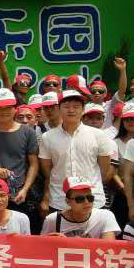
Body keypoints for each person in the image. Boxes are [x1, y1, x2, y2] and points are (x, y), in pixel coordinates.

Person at [39, 88, 114, 220]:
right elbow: (47, 171)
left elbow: (105, 169)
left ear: (83, 109)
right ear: (59, 109)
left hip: (92, 200)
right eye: (66, 106)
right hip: (60, 200)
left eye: (76, 106)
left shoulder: (98, 135)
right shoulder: (47, 137)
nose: (71, 110)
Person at [0, 88, 41, 229]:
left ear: (15, 108)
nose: (5, 111)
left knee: (19, 234)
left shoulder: (28, 132)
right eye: (0, 107)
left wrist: (25, 189)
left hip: (19, 195)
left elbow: (34, 164)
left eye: (9, 107)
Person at [40, 177, 120, 238]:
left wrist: (68, 242)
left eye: (90, 198)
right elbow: (43, 247)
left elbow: (108, 248)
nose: (86, 202)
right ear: (68, 202)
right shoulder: (53, 220)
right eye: (80, 199)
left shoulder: (105, 216)